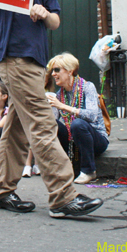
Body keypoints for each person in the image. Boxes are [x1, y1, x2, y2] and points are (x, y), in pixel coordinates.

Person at [0, 0, 103, 219]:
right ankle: (63, 197)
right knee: (43, 123)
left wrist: (44, 13)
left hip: (37, 63)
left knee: (17, 131)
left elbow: (56, 21)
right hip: (14, 58)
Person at [45, 53, 109, 184]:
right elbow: (54, 123)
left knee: (78, 124)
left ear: (69, 71)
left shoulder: (87, 87)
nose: (53, 74)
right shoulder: (59, 94)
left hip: (96, 138)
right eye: (52, 71)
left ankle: (89, 171)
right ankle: (60, 168)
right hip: (73, 140)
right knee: (52, 124)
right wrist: (47, 106)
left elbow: (92, 116)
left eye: (57, 70)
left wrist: (64, 106)